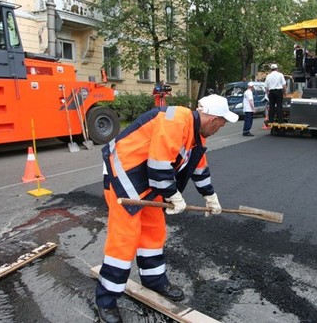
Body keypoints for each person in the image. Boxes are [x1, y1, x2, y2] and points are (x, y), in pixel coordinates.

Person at [95, 94, 239, 323]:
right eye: (222, 123)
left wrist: (210, 195)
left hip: (148, 181)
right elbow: (159, 163)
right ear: (213, 118)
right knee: (124, 239)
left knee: (154, 232)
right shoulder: (176, 119)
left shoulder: (196, 136)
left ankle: (153, 280)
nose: (221, 127)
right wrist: (173, 195)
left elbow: (198, 168)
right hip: (124, 178)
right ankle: (106, 299)